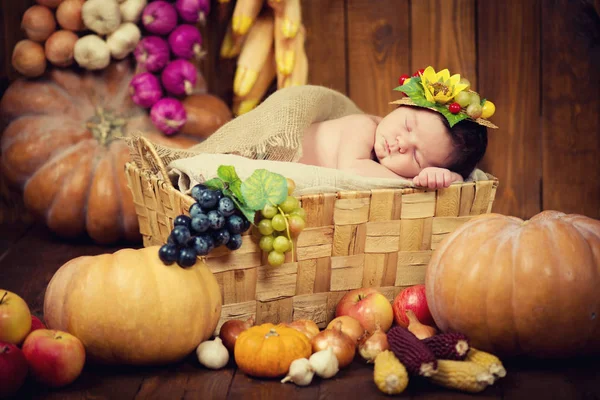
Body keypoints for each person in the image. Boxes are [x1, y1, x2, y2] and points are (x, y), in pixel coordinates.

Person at [298, 67, 496, 189]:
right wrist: (415, 183)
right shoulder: (363, 126)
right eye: (408, 126)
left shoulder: (383, 164)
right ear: (404, 104)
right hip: (274, 151)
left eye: (416, 158)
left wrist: (446, 179)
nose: (402, 144)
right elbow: (352, 171)